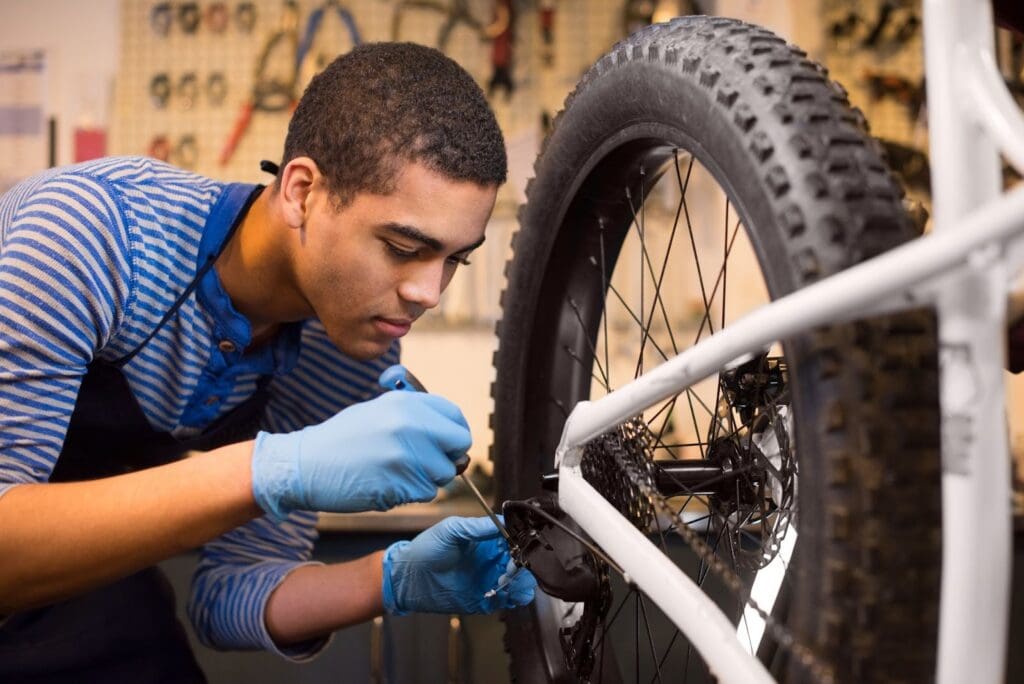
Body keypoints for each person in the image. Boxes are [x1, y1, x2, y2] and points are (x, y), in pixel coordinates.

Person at [0, 42, 535, 681]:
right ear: (302, 191)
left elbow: (228, 597)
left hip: (82, 588)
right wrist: (272, 470)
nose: (429, 292)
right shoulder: (93, 237)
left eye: (455, 258)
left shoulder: (346, 347)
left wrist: (389, 579)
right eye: (400, 248)